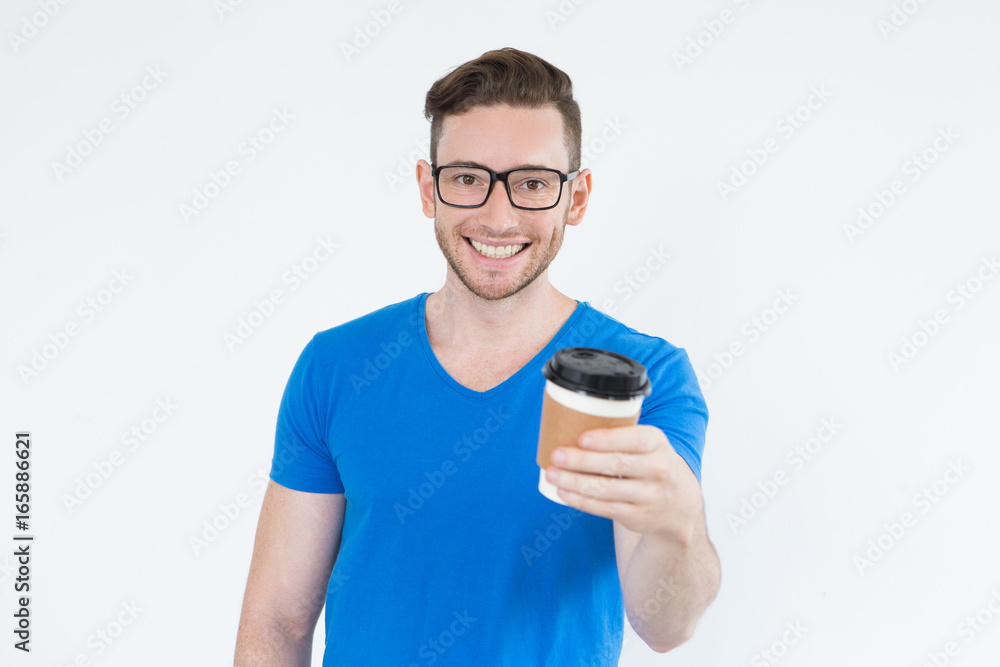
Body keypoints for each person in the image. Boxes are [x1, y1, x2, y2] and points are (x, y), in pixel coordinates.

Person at [234, 46, 720, 666]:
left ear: (576, 198)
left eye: (533, 183)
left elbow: (666, 625)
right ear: (427, 188)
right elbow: (277, 622)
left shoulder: (644, 380)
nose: (497, 216)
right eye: (467, 178)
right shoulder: (336, 366)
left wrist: (677, 518)